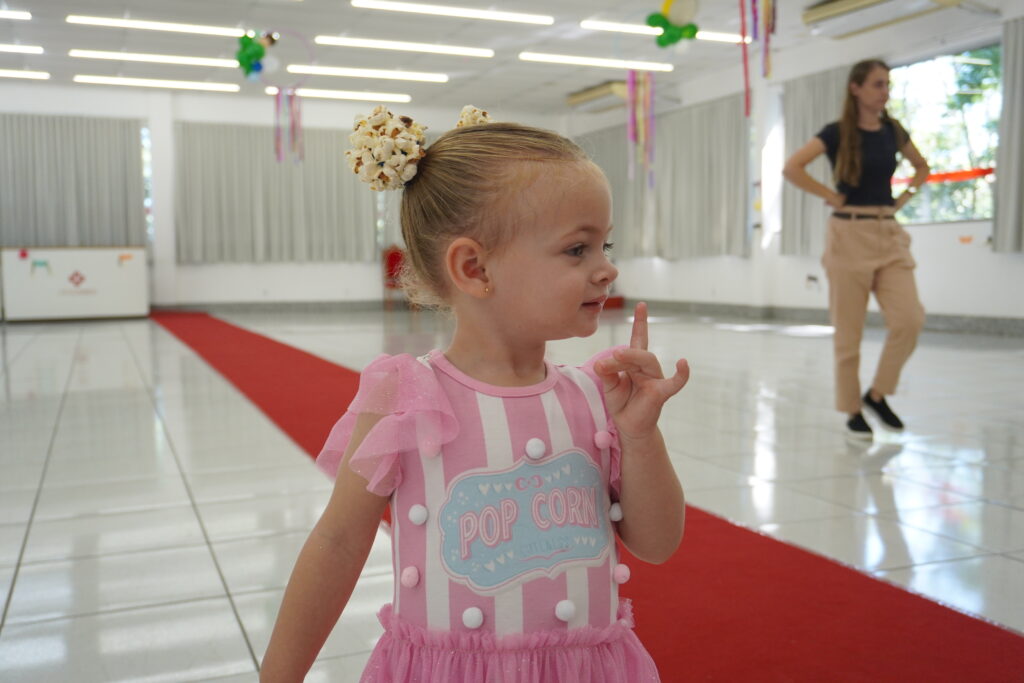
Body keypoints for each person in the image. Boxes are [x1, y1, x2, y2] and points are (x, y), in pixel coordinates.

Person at [259, 105, 689, 682]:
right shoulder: (406, 398)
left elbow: (658, 544)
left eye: (605, 246)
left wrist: (640, 435)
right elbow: (337, 543)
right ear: (474, 268)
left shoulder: (594, 395)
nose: (607, 269)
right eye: (577, 250)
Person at [783, 59, 930, 439]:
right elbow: (793, 167)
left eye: (887, 85)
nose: (885, 92)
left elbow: (922, 167)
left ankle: (877, 394)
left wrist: (904, 198)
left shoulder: (893, 130)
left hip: (888, 232)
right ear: (856, 88)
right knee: (849, 334)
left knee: (910, 319)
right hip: (848, 235)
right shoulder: (836, 133)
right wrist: (830, 195)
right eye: (878, 84)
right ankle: (852, 410)